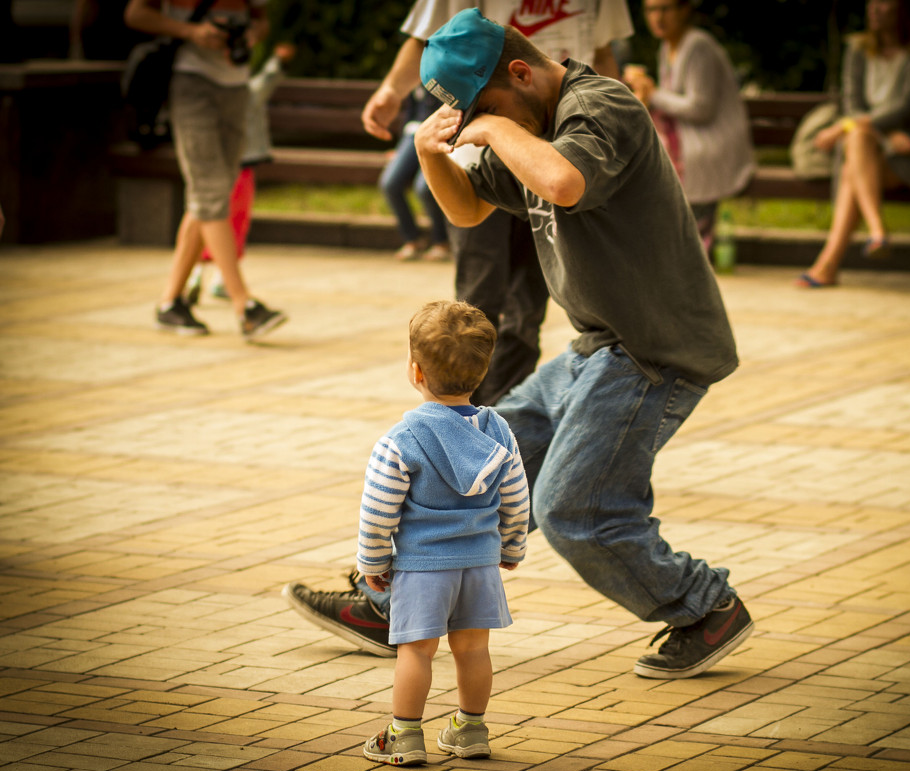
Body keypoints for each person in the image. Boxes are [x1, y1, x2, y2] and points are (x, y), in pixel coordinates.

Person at [286, 10, 752, 681]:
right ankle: (390, 604)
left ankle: (706, 606)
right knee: (473, 464)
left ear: (522, 73)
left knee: (573, 509)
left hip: (655, 351)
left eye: (491, 109)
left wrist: (495, 127)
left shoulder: (602, 107)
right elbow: (470, 208)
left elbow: (564, 182)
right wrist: (429, 154)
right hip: (597, 348)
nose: (485, 129)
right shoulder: (524, 123)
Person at [360, 0, 633, 406]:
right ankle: (467, 415)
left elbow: (602, 51)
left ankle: (504, 420)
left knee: (527, 310)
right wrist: (391, 92)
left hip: (555, 153)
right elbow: (425, 39)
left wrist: (612, 139)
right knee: (478, 304)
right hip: (479, 164)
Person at [356, 300, 529, 766]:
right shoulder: (500, 432)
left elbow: (378, 513)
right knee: (474, 650)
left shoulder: (400, 439)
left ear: (416, 371)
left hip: (422, 567)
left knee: (416, 653)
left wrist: (372, 563)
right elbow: (516, 499)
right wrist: (512, 546)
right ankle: (470, 729)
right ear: (483, 371)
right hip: (479, 563)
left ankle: (404, 736)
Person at [124, 0, 287, 340]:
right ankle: (245, 307)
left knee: (208, 196)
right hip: (190, 81)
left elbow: (262, 19)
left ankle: (170, 303)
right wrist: (191, 31)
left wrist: (254, 33)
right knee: (211, 192)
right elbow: (135, 13)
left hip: (236, 84)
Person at [796, 0, 910, 288]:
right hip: (873, 148)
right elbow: (852, 104)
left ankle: (830, 264)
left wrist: (860, 129)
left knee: (852, 166)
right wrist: (877, 133)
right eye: (871, 2)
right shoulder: (858, 48)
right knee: (857, 142)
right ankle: (876, 231)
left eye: (884, 1)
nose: (875, 8)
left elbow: (906, 107)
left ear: (904, 8)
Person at [625, 0, 754, 256]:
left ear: (684, 10)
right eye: (651, 10)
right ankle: (666, 246)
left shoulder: (698, 46)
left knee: (652, 155)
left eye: (665, 9)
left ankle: (688, 250)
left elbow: (700, 109)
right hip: (686, 137)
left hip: (713, 141)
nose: (657, 17)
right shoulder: (667, 47)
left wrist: (652, 93)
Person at [185, 42, 296, 305]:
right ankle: (224, 283)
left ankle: (197, 276)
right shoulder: (245, 92)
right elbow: (267, 80)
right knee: (233, 221)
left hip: (216, 167)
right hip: (241, 167)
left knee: (203, 216)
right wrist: (279, 61)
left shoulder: (205, 97)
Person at [380, 87, 452, 262]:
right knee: (389, 184)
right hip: (412, 135)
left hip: (440, 132)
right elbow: (410, 112)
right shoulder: (415, 72)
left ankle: (441, 241)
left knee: (424, 188)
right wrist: (399, 149)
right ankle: (413, 239)